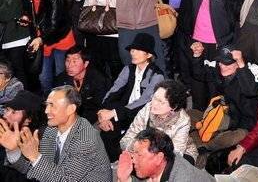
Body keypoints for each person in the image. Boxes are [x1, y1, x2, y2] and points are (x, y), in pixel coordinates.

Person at [1, 85, 112, 182]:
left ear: (70, 109)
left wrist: (34, 156)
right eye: (47, 105)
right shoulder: (51, 130)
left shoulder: (85, 140)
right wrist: (13, 150)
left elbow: (65, 180)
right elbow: (33, 171)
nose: (46, 111)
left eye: (52, 105)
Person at [98, 32, 165, 162]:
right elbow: (113, 91)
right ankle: (113, 161)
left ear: (149, 55)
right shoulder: (128, 69)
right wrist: (102, 112)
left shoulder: (156, 75)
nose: (133, 53)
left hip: (144, 115)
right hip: (124, 111)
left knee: (135, 142)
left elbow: (144, 102)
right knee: (107, 129)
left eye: (138, 50)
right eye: (132, 50)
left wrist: (113, 113)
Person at [190, 43, 258, 155]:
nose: (222, 66)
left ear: (238, 64)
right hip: (223, 114)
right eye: (221, 62)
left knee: (230, 138)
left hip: (244, 123)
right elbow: (198, 73)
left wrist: (242, 65)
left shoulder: (251, 72)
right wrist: (197, 55)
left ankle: (205, 147)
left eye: (228, 63)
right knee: (189, 113)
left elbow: (251, 91)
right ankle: (202, 135)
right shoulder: (217, 67)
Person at [20, 0, 75, 95]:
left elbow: (55, 25)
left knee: (62, 76)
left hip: (60, 38)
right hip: (42, 40)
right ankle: (47, 104)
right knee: (44, 77)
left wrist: (40, 39)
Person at [120, 80, 198, 163]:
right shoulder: (148, 108)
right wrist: (137, 150)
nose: (154, 103)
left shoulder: (183, 121)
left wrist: (149, 156)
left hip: (179, 153)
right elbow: (127, 139)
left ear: (174, 106)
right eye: (155, 98)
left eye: (161, 102)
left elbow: (175, 154)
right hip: (146, 149)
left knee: (172, 170)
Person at [117, 128, 215, 182]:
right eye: (133, 152)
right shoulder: (166, 160)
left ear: (159, 158)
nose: (133, 159)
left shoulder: (182, 178)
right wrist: (126, 179)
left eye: (139, 155)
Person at [53, 46, 110, 125]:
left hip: (94, 117)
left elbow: (103, 105)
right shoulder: (61, 79)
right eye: (67, 60)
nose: (69, 65)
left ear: (86, 63)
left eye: (75, 61)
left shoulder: (98, 79)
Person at [0, 0, 30, 86]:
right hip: (3, 36)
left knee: (17, 74)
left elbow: (7, 12)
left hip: (16, 37)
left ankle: (22, 105)